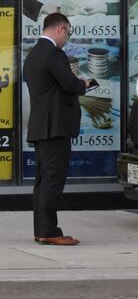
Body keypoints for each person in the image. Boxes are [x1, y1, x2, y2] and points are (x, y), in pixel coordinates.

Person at [23, 13, 91, 246]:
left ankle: (42, 229)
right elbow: (70, 85)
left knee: (43, 180)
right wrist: (83, 84)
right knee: (53, 180)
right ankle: (50, 231)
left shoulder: (33, 54)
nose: (67, 38)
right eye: (68, 33)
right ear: (61, 29)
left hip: (41, 125)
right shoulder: (53, 54)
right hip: (55, 127)